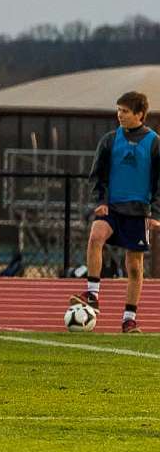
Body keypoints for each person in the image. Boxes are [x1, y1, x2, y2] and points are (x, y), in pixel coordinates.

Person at [71, 91, 160, 334]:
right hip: (112, 208)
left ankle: (129, 319)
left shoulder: (154, 143)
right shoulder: (109, 140)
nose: (119, 115)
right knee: (95, 236)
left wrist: (156, 213)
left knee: (134, 266)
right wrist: (100, 199)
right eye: (118, 110)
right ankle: (92, 294)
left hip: (139, 212)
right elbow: (96, 174)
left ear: (140, 114)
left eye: (125, 111)